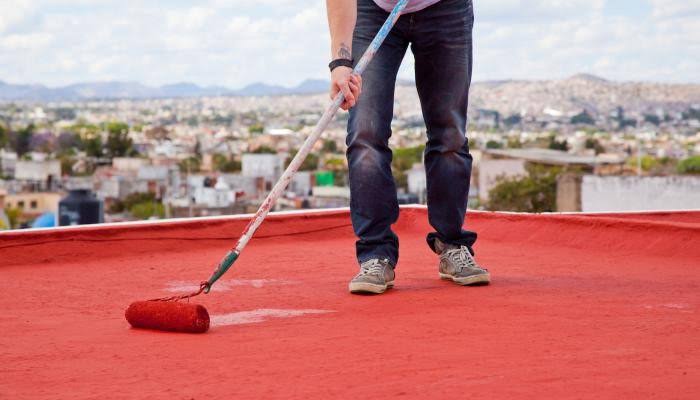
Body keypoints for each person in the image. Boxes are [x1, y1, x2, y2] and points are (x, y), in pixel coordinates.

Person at [325, 0, 489, 294]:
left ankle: (452, 243)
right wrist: (341, 62)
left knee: (449, 132)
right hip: (373, 11)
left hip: (445, 8)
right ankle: (376, 254)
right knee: (365, 132)